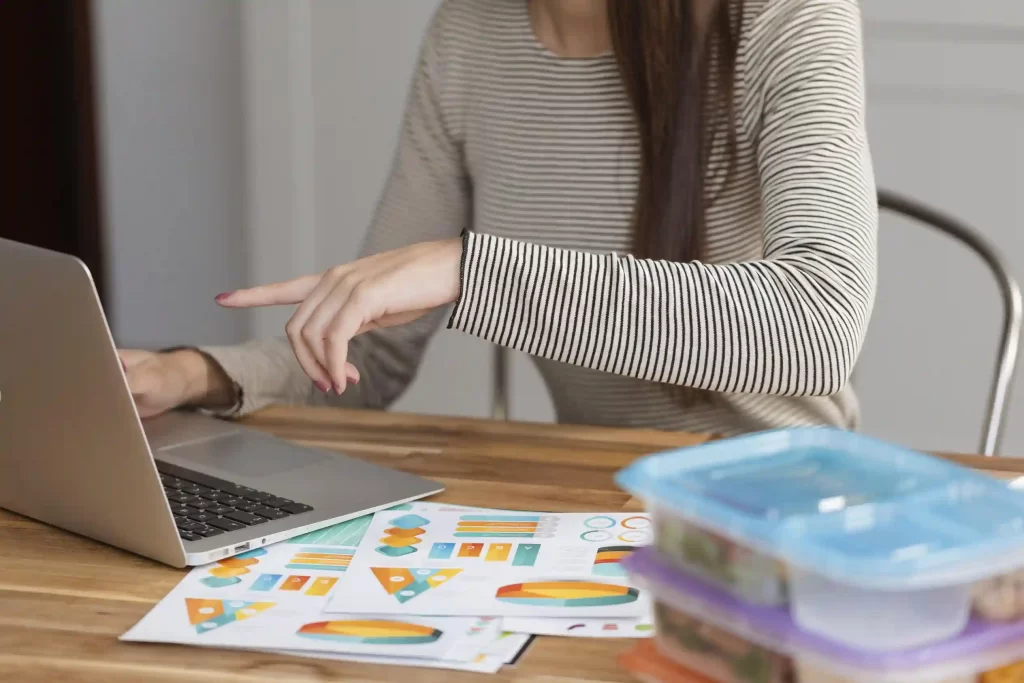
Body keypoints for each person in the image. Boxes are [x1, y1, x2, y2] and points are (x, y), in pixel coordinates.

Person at [120, 0, 877, 436]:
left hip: (787, 514)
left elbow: (819, 328)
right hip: (597, 506)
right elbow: (368, 358)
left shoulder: (787, 17)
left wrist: (469, 269)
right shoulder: (469, 33)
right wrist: (191, 374)